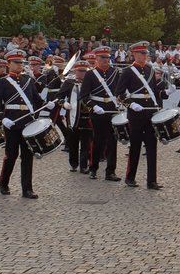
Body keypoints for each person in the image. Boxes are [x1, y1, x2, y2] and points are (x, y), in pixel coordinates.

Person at [113, 41, 167, 189]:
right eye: (142, 53)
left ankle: (152, 181)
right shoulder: (128, 71)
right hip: (136, 114)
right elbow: (119, 93)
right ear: (135, 54)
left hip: (150, 112)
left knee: (152, 146)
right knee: (135, 146)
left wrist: (165, 93)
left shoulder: (150, 70)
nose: (145, 56)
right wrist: (131, 104)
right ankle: (130, 177)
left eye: (146, 54)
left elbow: (155, 92)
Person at [0, 50, 43, 199]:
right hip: (12, 124)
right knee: (11, 155)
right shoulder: (2, 82)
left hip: (27, 124)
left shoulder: (28, 80)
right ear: (9, 64)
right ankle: (4, 183)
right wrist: (2, 119)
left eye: (21, 62)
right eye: (16, 62)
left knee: (27, 157)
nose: (20, 65)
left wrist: (47, 105)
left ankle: (27, 189)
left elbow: (36, 101)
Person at [80, 46, 120, 180]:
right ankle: (93, 168)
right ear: (97, 58)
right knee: (97, 141)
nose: (106, 60)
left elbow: (120, 92)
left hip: (112, 111)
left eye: (108, 57)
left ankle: (111, 171)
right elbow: (84, 96)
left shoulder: (115, 73)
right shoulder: (90, 74)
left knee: (112, 142)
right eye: (103, 57)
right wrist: (93, 107)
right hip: (97, 112)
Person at [56, 60, 91, 173]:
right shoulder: (69, 82)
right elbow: (58, 98)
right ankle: (73, 163)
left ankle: (84, 165)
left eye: (84, 71)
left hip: (86, 116)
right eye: (80, 71)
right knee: (73, 141)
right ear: (75, 71)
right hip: (72, 116)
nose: (83, 73)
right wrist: (64, 104)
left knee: (86, 142)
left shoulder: (91, 82)